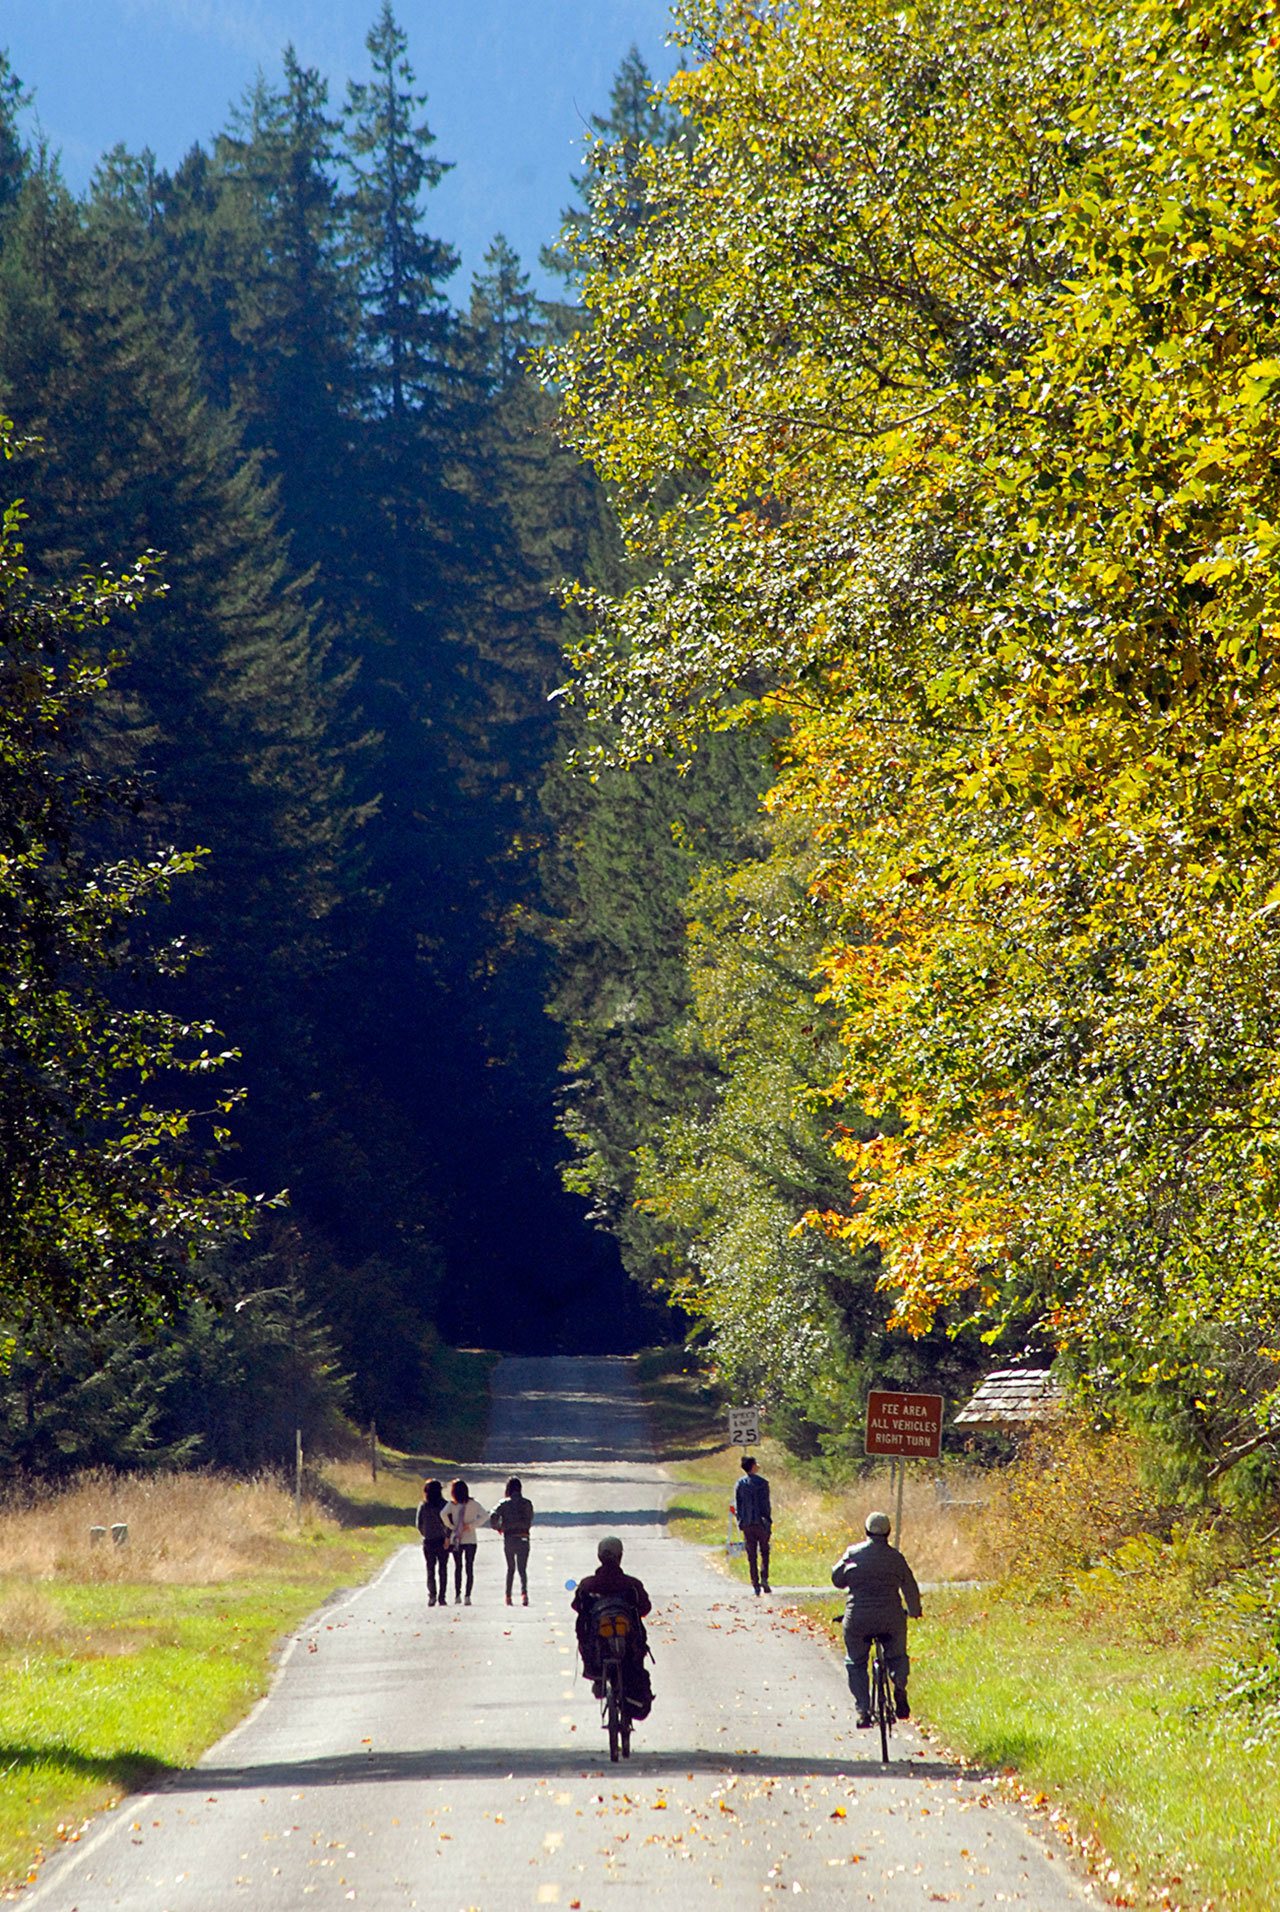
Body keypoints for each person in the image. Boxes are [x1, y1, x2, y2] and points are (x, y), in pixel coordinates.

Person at [831, 1510, 923, 1727]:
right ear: (889, 1533)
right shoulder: (896, 1558)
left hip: (858, 1619)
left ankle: (863, 1709)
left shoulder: (852, 1553)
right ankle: (899, 1685)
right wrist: (914, 1610)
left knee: (855, 1661)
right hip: (891, 1619)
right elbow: (910, 1587)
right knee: (898, 1656)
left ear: (866, 1531)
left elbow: (837, 1578)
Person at [571, 1536, 653, 1717]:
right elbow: (645, 1608)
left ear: (599, 1556)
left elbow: (577, 1607)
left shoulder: (587, 1584)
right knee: (636, 1652)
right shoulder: (632, 1585)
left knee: (584, 1633)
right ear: (620, 1556)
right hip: (629, 1647)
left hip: (596, 1645)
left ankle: (596, 1675)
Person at [489, 1475, 534, 1606]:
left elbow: (493, 1515)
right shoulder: (527, 1503)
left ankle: (508, 1596)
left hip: (509, 1537)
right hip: (524, 1536)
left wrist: (498, 1527)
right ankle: (524, 1594)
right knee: (522, 1568)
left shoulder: (503, 1503)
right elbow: (530, 1519)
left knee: (510, 1568)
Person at [442, 1478, 489, 1605]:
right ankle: (468, 1595)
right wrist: (472, 1525)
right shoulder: (473, 1504)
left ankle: (458, 1595)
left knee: (458, 1567)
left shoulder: (452, 1505)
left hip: (457, 1539)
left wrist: (452, 1526)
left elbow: (443, 1514)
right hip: (470, 1538)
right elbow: (485, 1515)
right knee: (469, 1567)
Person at [732, 1454, 773, 1595]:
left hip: (747, 1523)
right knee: (765, 1551)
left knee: (751, 1554)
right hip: (761, 1522)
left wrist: (740, 1521)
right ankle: (764, 1578)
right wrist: (768, 1520)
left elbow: (738, 1504)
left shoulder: (740, 1484)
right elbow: (766, 1505)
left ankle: (755, 1583)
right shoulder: (763, 1483)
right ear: (753, 1466)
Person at [416, 1478, 449, 1608]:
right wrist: (448, 1537)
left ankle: (432, 1594)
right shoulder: (445, 1505)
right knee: (443, 1568)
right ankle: (442, 1597)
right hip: (442, 1540)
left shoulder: (424, 1506)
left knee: (430, 1569)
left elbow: (419, 1524)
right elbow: (450, 1524)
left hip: (429, 1540)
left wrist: (425, 1533)